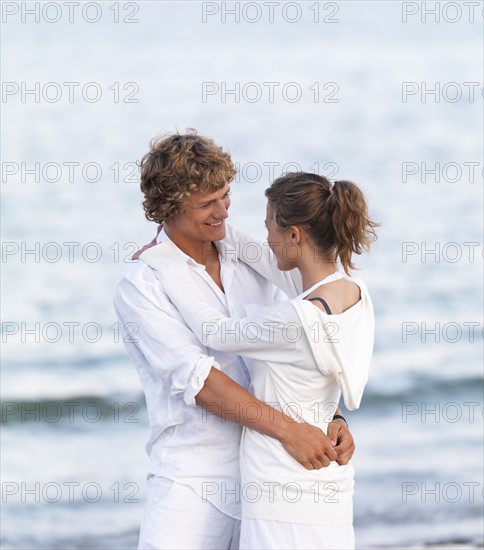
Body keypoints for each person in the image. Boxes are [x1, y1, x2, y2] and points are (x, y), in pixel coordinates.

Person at [113, 130, 356, 550]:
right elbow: (199, 381)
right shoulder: (144, 282)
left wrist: (331, 416)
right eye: (207, 204)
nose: (222, 211)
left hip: (271, 476)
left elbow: (302, 340)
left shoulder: (252, 258)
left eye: (225, 195)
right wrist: (289, 430)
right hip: (193, 483)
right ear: (168, 208)